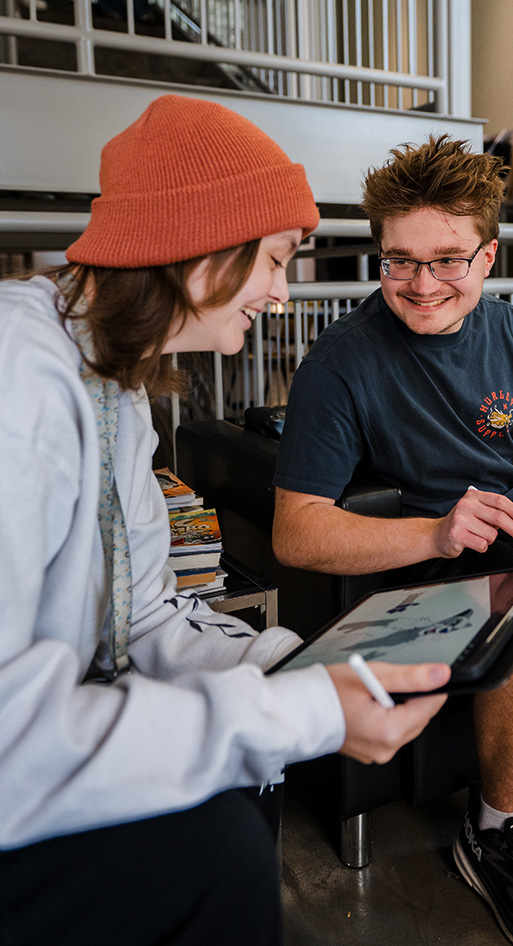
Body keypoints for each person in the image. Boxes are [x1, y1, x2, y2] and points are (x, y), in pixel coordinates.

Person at [0, 96, 453, 946]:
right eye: (277, 260)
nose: (283, 295)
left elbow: (144, 618)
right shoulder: (16, 383)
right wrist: (297, 713)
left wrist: (300, 666)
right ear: (202, 243)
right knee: (221, 851)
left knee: (235, 811)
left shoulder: (117, 386)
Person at [272, 134, 513, 946]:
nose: (423, 286)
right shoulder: (339, 364)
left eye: (448, 260)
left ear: (487, 257)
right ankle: (495, 833)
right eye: (400, 262)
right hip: (423, 555)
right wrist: (438, 526)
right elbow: (296, 533)